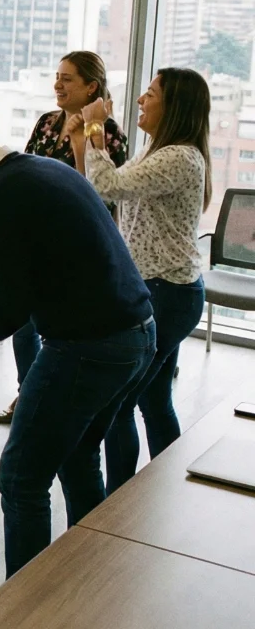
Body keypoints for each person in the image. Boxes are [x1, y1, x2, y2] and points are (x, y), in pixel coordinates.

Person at [0, 114, 154, 579]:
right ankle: (84, 587)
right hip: (137, 334)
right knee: (78, 457)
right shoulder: (45, 169)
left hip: (87, 347)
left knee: (20, 478)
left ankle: (23, 617)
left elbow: (11, 310)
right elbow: (37, 281)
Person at [78, 70, 211, 491]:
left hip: (168, 293)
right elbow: (103, 181)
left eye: (150, 94)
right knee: (154, 400)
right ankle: (162, 487)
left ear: (174, 107)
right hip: (161, 289)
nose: (140, 99)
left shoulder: (180, 158)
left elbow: (107, 185)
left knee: (120, 404)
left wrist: (94, 127)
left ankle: (120, 501)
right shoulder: (159, 150)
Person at [0, 51, 129, 427]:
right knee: (23, 322)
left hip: (76, 250)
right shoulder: (46, 123)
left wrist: (85, 137)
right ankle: (28, 394)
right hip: (36, 240)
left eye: (67, 79)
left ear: (91, 87)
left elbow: (99, 194)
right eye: (57, 76)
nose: (57, 84)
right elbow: (26, 171)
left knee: (56, 330)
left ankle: (47, 397)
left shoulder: (109, 134)